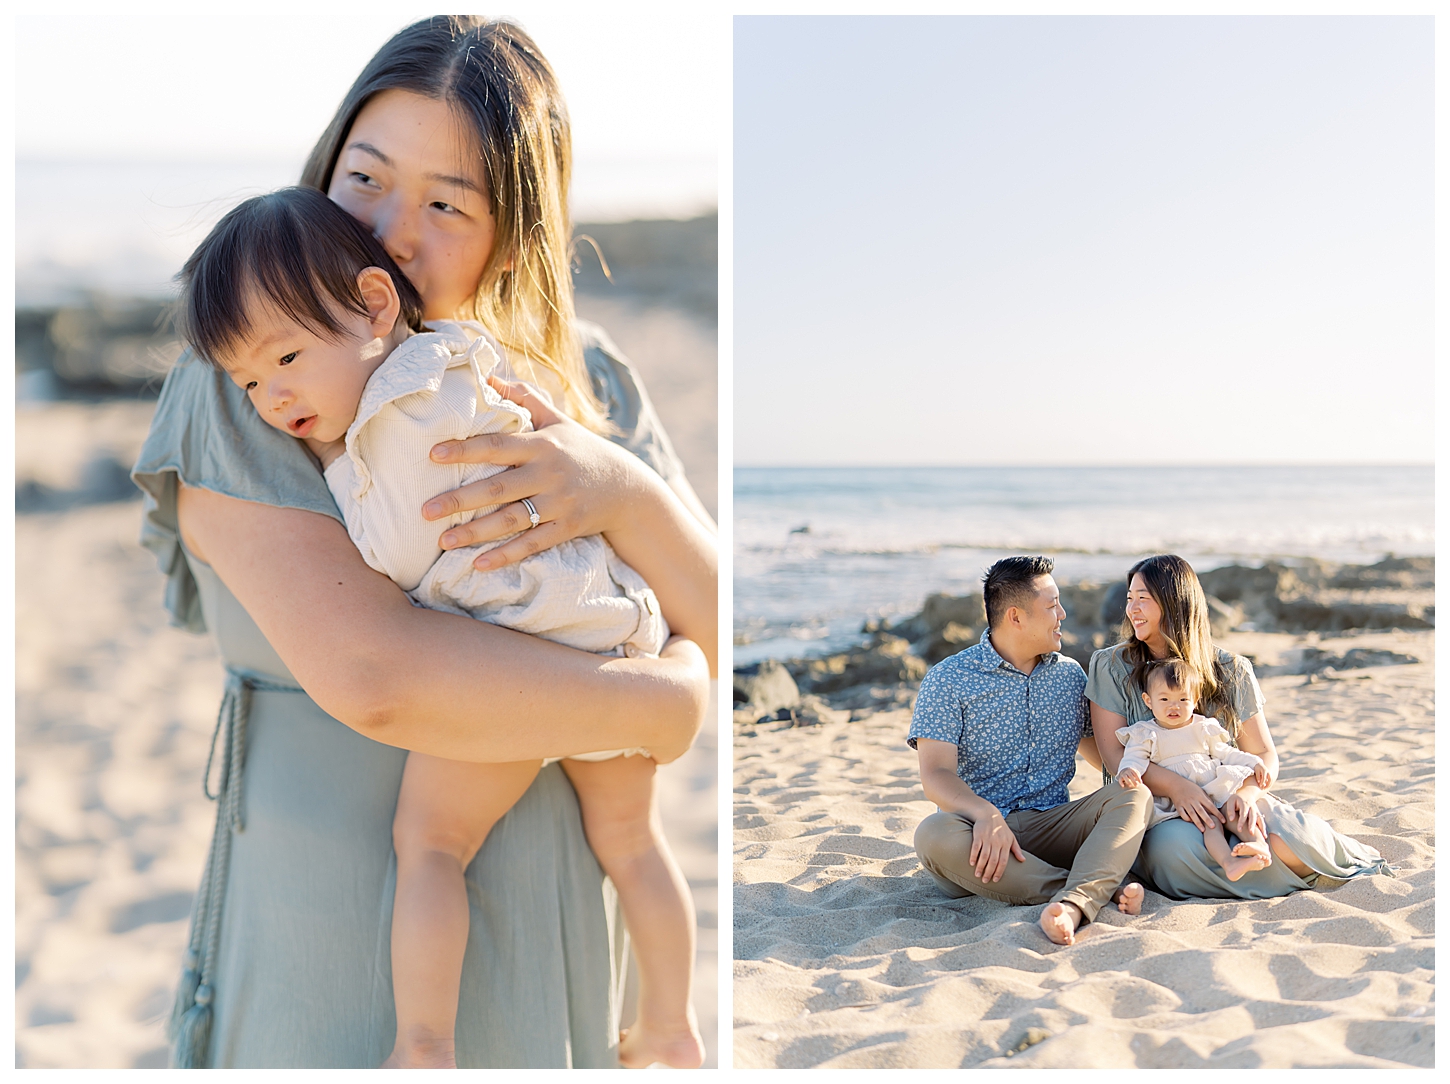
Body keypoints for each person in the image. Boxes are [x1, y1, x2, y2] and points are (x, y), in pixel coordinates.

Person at [131, 17, 716, 1069]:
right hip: (331, 935)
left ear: (514, 229)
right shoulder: (251, 386)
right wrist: (662, 700)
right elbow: (378, 677)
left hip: (560, 932)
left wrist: (615, 486)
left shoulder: (585, 377)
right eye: (367, 177)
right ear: (327, 166)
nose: (393, 232)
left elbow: (719, 615)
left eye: (447, 203)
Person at [1087, 555, 1389, 901]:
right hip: (1161, 809)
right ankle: (1258, 872)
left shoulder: (1233, 669)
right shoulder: (1110, 665)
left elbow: (1262, 753)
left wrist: (1246, 795)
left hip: (1228, 792)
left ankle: (1283, 862)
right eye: (1129, 598)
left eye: (1143, 598)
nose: (1132, 609)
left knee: (1288, 840)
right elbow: (1114, 756)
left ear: (1176, 602)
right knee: (1178, 854)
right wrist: (1180, 788)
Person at [909, 556, 1152, 947]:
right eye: (1052, 605)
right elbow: (936, 775)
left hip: (1052, 826)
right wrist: (985, 814)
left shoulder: (1071, 676)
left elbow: (1104, 759)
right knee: (931, 834)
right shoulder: (948, 678)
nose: (1063, 613)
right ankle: (1084, 892)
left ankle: (1075, 897)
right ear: (1015, 617)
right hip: (977, 837)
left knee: (1133, 795)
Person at [1115, 658, 1273, 881]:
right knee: (1210, 825)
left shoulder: (1202, 726)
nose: (1174, 706)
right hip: (1184, 799)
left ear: (1195, 700)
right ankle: (1229, 863)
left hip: (1213, 786)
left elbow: (1225, 753)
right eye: (1164, 699)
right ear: (1148, 701)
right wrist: (1128, 770)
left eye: (1182, 699)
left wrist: (1253, 762)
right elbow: (1134, 757)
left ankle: (1259, 845)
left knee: (1235, 811)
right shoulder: (1145, 733)